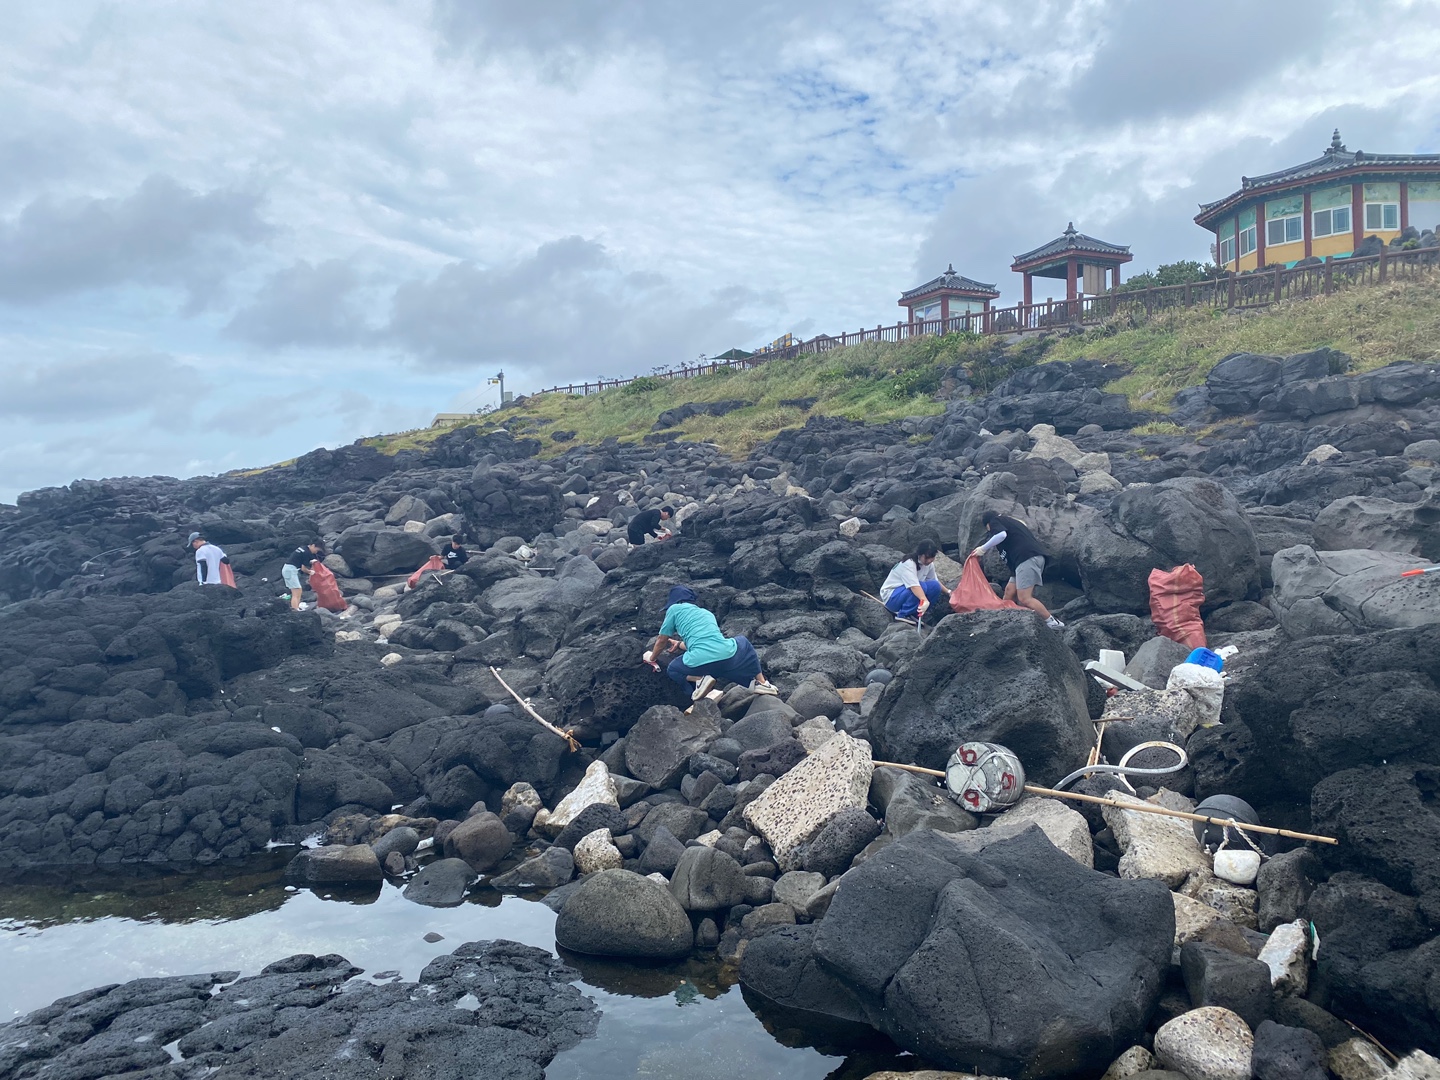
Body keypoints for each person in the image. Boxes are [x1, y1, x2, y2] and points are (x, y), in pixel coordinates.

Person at [649, 585, 778, 699]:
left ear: (675, 602)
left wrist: (652, 658)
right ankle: (761, 682)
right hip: (727, 656)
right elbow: (705, 642)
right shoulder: (706, 613)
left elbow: (661, 639)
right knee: (743, 641)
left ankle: (700, 681)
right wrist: (678, 644)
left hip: (702, 664)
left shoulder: (674, 609)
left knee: (673, 669)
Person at [970, 509, 1064, 629]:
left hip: (1027, 558)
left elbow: (1001, 535)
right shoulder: (1012, 523)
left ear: (988, 525)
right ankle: (1005, 618)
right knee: (1009, 591)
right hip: (1023, 561)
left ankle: (1052, 622)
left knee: (1024, 598)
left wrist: (983, 548)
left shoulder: (996, 520)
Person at [879, 539, 948, 622]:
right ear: (920, 554)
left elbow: (935, 581)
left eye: (932, 558)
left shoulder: (929, 565)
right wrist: (925, 600)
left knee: (935, 586)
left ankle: (914, 614)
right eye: (926, 557)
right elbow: (914, 586)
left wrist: (949, 592)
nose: (929, 560)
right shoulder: (909, 563)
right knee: (921, 586)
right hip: (891, 597)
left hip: (906, 594)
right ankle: (903, 614)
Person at [282, 540, 323, 611]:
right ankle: (295, 609)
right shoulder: (306, 553)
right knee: (296, 591)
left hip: (289, 569)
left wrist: (310, 562)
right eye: (317, 550)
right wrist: (310, 572)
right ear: (313, 545)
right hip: (290, 570)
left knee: (297, 590)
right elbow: (303, 568)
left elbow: (300, 561)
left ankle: (296, 607)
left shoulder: (303, 548)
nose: (316, 552)